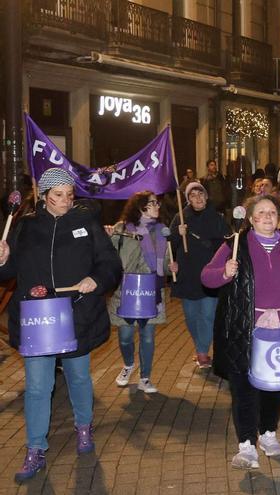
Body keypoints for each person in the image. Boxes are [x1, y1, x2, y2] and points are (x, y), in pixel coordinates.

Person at [0, 168, 122, 482]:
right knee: (39, 387)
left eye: (70, 195)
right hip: (38, 318)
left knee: (78, 377)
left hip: (75, 314)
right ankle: (35, 448)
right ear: (43, 195)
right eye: (58, 195)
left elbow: (110, 263)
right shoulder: (25, 226)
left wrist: (95, 280)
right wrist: (1, 260)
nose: (65, 202)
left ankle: (84, 426)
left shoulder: (86, 222)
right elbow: (8, 272)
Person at [201, 195, 280, 469]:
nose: (267, 217)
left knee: (274, 386)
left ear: (279, 216)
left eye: (272, 212)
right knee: (243, 387)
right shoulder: (235, 245)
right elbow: (207, 276)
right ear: (251, 218)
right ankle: (246, 445)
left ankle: (268, 434)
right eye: (261, 212)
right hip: (245, 327)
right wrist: (225, 272)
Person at [108, 191, 177, 394]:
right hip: (126, 289)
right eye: (152, 203)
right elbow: (108, 257)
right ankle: (128, 364)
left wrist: (169, 267)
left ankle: (145, 378)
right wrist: (107, 238)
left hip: (151, 289)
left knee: (148, 337)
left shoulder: (161, 231)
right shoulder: (121, 230)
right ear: (139, 207)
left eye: (157, 202)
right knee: (125, 336)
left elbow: (163, 265)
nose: (157, 206)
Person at [169, 182, 230, 368]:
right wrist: (178, 235)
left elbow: (227, 241)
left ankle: (202, 352)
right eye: (193, 195)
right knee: (191, 316)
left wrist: (211, 246)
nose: (198, 198)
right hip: (188, 275)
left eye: (201, 194)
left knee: (208, 315)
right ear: (188, 199)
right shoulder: (180, 217)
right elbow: (170, 246)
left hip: (210, 275)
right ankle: (200, 347)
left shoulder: (216, 217)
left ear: (206, 196)